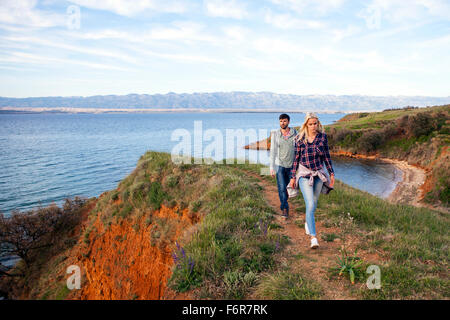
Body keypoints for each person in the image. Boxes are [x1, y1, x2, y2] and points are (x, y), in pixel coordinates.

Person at [289, 112, 335, 249]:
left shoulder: (322, 138)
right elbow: (295, 159)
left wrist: (331, 173)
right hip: (304, 174)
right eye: (310, 124)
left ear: (318, 124)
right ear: (306, 125)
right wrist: (292, 177)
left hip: (318, 174)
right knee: (310, 203)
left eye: (315, 123)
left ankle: (308, 222)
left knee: (313, 205)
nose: (313, 126)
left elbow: (326, 156)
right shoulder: (299, 139)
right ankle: (313, 238)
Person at [270, 114, 298, 219]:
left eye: (285, 121)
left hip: (292, 166)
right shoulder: (276, 134)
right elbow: (272, 151)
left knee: (288, 188)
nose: (282, 123)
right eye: (281, 121)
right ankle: (284, 208)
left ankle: (285, 202)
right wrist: (271, 167)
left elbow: (298, 149)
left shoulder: (295, 133)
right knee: (281, 188)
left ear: (288, 122)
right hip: (279, 165)